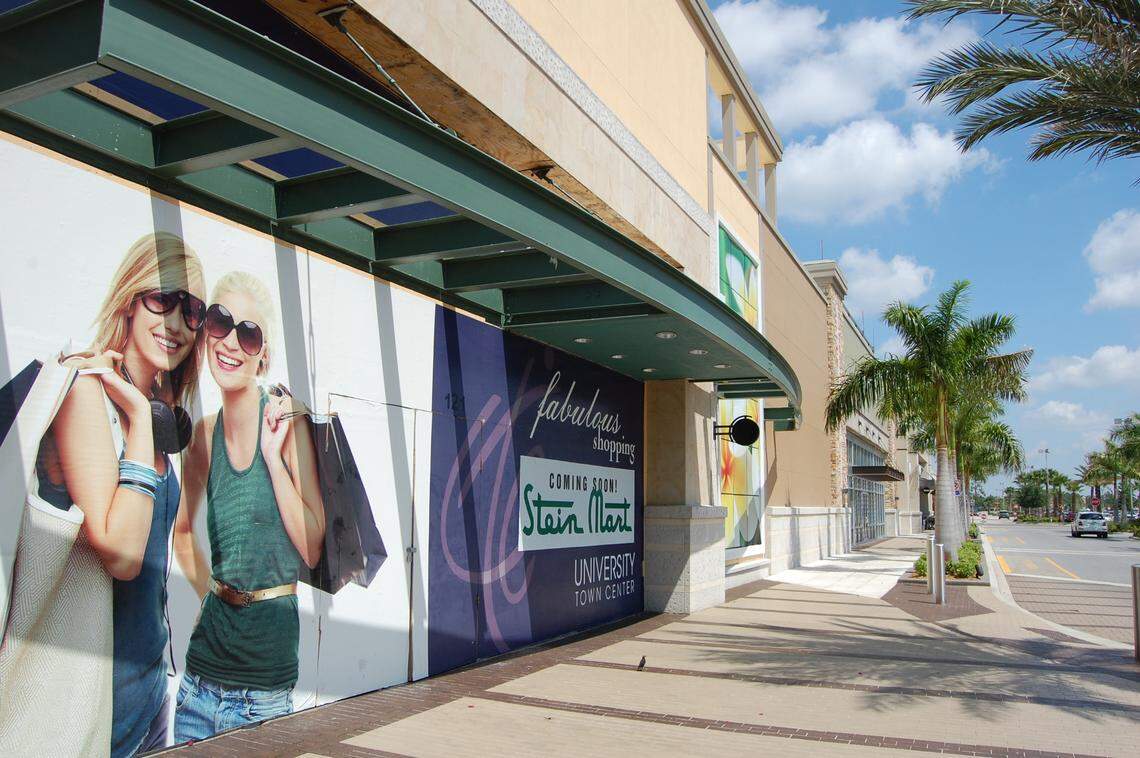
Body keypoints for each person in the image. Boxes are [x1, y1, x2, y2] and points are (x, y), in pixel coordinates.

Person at [37, 232, 207, 757]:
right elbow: (123, 554)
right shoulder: (87, 393)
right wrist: (136, 416)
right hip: (90, 710)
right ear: (131, 301)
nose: (175, 323)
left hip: (151, 694)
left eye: (192, 310)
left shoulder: (156, 409)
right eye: (162, 299)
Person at [172, 271, 325, 742]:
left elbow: (313, 547)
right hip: (197, 688)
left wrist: (272, 461)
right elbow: (181, 532)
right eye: (220, 321)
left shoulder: (287, 424)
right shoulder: (202, 436)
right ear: (204, 334)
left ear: (262, 358)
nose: (231, 342)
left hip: (262, 698)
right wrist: (206, 596)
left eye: (249, 333)